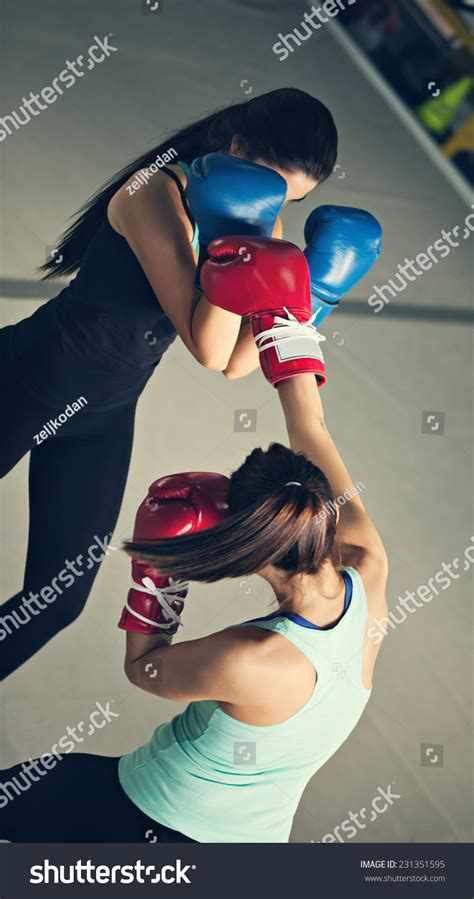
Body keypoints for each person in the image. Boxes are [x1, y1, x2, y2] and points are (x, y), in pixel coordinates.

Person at [0, 239, 387, 843]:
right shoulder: (365, 563)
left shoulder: (250, 657)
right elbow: (308, 423)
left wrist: (161, 570)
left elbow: (144, 669)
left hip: (147, 826)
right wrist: (289, 315)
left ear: (248, 546)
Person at [0, 87, 381, 679]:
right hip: (25, 378)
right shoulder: (151, 194)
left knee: (56, 601)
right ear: (233, 146)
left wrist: (313, 302)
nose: (276, 204)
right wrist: (246, 241)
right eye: (268, 184)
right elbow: (208, 345)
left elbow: (235, 361)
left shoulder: (260, 216)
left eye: (290, 198)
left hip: (101, 418)